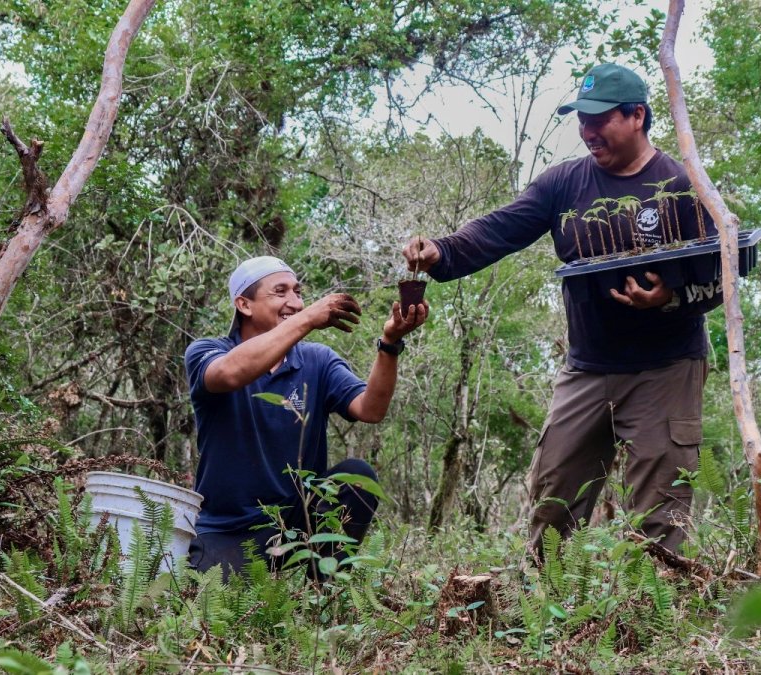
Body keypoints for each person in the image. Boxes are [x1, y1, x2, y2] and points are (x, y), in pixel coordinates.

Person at [402, 63, 722, 556]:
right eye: (582, 119)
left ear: (637, 115)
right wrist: (441, 251)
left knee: (660, 511)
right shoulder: (564, 184)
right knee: (553, 500)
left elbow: (720, 281)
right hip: (588, 368)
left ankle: (656, 619)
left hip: (667, 368)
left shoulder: (682, 186)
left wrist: (670, 298)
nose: (588, 131)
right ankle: (550, 614)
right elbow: (499, 230)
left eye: (600, 119)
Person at [185, 256, 427, 578]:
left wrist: (391, 343)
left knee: (358, 476)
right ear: (244, 304)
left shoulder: (317, 360)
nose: (296, 302)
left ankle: (320, 594)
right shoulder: (207, 352)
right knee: (207, 597)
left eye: (298, 292)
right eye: (280, 291)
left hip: (299, 523)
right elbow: (229, 374)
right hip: (228, 529)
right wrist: (309, 319)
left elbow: (370, 409)